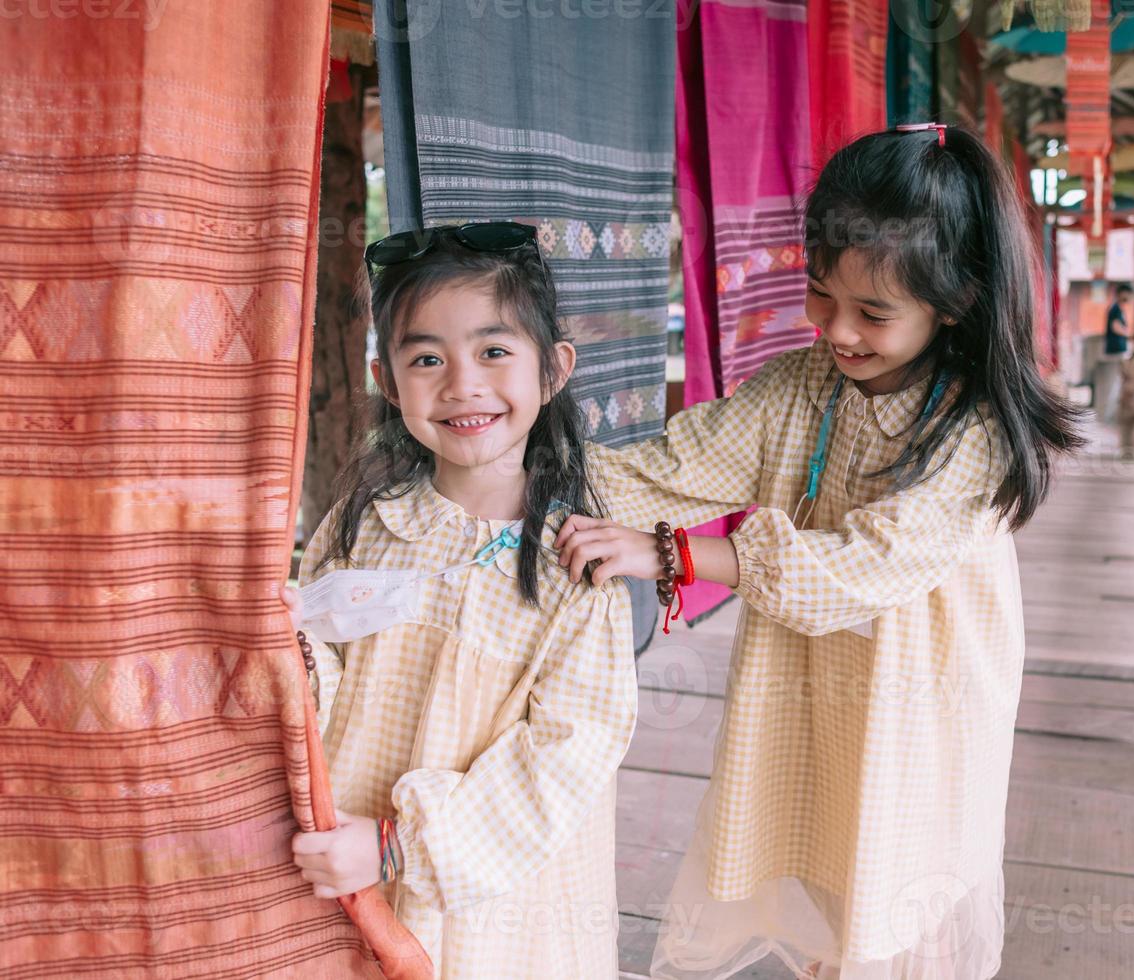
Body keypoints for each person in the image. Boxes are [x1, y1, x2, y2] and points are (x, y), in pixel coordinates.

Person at [556, 125, 1086, 978]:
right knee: (827, 875)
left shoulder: (973, 431)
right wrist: (513, 467)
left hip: (920, 703)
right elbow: (677, 466)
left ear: (955, 301)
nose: (836, 330)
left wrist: (684, 560)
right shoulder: (808, 384)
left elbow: (868, 564)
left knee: (891, 891)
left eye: (874, 313)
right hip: (812, 688)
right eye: (818, 294)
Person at [281, 223, 637, 977]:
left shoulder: (577, 565)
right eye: (427, 359)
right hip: (346, 859)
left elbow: (567, 754)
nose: (462, 383)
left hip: (495, 904)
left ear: (553, 370)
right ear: (388, 379)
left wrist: (397, 844)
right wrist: (295, 645)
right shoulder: (366, 524)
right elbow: (322, 674)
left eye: (494, 351)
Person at [1104, 283, 1133, 356]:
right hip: (1115, 349)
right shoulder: (1115, 308)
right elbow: (1115, 326)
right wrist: (1128, 334)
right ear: (1121, 293)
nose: (1129, 297)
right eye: (1128, 294)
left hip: (1118, 348)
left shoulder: (1118, 308)